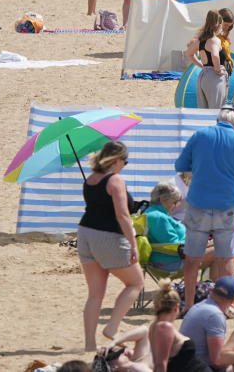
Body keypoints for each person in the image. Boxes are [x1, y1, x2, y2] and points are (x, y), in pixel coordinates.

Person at [174, 107, 234, 312]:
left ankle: (189, 304)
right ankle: (224, 307)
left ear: (217, 120)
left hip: (198, 205)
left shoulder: (200, 135)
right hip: (226, 206)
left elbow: (181, 164)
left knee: (192, 259)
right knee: (226, 259)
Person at [77, 141, 144, 351]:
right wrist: (133, 244)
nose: (125, 165)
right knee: (136, 283)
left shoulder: (90, 180)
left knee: (95, 294)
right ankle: (112, 327)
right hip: (108, 236)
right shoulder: (115, 180)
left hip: (85, 233)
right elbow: (122, 215)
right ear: (116, 160)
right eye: (125, 161)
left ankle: (89, 343)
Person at [180, 276, 234, 371]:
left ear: (212, 292)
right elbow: (217, 362)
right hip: (195, 367)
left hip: (184, 363)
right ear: (232, 301)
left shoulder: (200, 306)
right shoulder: (215, 315)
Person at [144, 281, 210, 372]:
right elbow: (161, 364)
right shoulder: (165, 327)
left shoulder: (154, 326)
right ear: (176, 308)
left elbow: (157, 362)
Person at [185, 11, 229, 110]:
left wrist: (201, 65)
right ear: (218, 24)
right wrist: (218, 70)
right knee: (216, 110)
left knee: (203, 111)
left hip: (203, 76)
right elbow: (215, 55)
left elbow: (188, 53)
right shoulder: (215, 40)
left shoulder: (201, 40)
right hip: (214, 77)